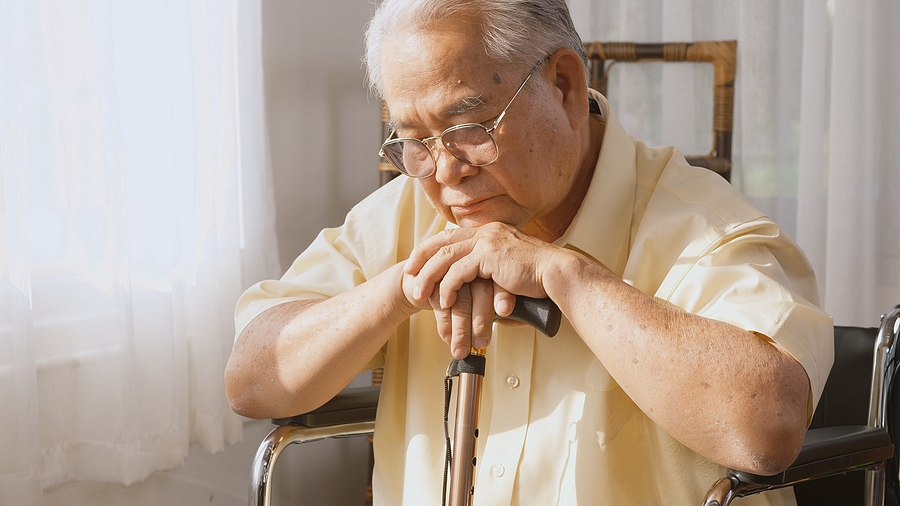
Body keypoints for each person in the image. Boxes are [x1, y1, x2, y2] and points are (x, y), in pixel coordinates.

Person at [225, 0, 833, 504]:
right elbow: (254, 380)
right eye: (413, 142)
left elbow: (765, 429)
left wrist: (565, 275)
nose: (444, 172)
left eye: (468, 130)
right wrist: (408, 285)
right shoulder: (408, 214)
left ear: (565, 85)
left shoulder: (696, 223)